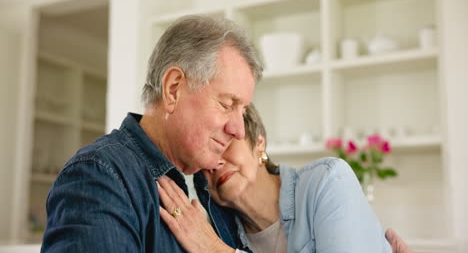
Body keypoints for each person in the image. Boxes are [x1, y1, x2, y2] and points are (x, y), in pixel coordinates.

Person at [41, 15, 263, 252]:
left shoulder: (214, 187)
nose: (239, 131)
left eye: (243, 111)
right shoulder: (99, 176)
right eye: (227, 104)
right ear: (173, 89)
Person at [157, 104, 413, 253]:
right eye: (201, 162)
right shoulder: (219, 233)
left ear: (259, 143)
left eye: (222, 144)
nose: (213, 163)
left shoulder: (328, 182)